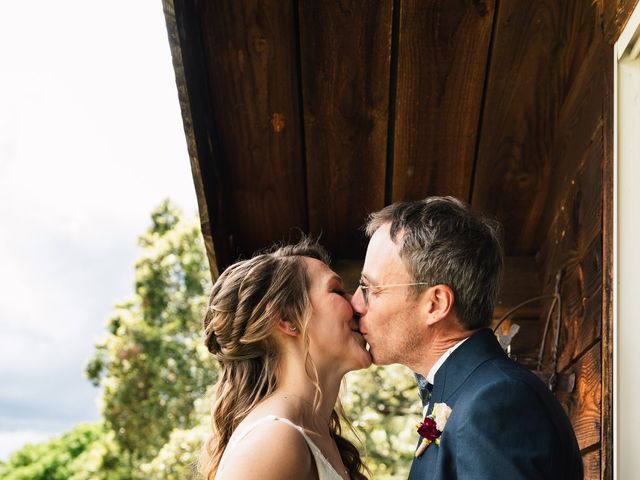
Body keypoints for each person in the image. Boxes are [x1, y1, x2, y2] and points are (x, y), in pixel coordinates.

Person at [351, 197, 583, 479]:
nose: (356, 304)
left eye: (369, 288)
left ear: (435, 304)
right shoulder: (468, 393)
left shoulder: (494, 403)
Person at [199, 239, 371, 480]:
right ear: (287, 318)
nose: (356, 303)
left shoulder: (315, 438)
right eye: (337, 290)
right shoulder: (273, 440)